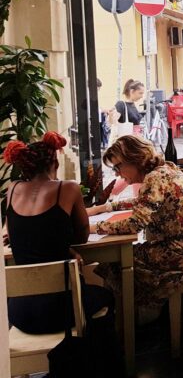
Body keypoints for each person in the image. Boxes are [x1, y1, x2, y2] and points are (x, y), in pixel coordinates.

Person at [3, 132, 114, 334]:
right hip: (61, 308)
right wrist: (67, 246)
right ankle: (96, 358)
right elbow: (82, 236)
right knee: (108, 296)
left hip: (20, 313)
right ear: (55, 162)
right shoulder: (68, 188)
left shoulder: (12, 189)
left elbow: (14, 235)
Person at [93, 135, 183, 324]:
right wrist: (105, 208)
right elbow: (144, 202)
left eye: (118, 167)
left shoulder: (155, 178)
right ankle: (140, 310)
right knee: (124, 257)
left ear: (135, 158)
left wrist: (93, 228)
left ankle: (133, 317)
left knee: (113, 261)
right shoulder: (165, 170)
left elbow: (134, 224)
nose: (116, 173)